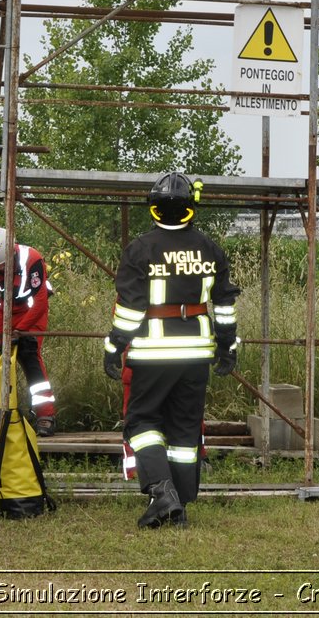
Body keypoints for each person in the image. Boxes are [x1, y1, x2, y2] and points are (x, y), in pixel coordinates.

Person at [103, 173, 240, 528]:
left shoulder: (139, 250)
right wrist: (227, 346)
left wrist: (113, 346)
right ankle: (178, 505)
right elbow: (224, 305)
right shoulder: (210, 249)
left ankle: (162, 493)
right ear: (190, 210)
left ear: (154, 208)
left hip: (152, 352)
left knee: (142, 422)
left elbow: (131, 309)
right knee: (184, 429)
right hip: (196, 354)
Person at [0, 226, 57, 436]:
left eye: (3, 265)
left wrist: (20, 331)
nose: (0, 270)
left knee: (29, 355)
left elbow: (41, 301)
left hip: (32, 311)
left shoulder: (32, 260)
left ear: (12, 252)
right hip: (5, 312)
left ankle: (46, 414)